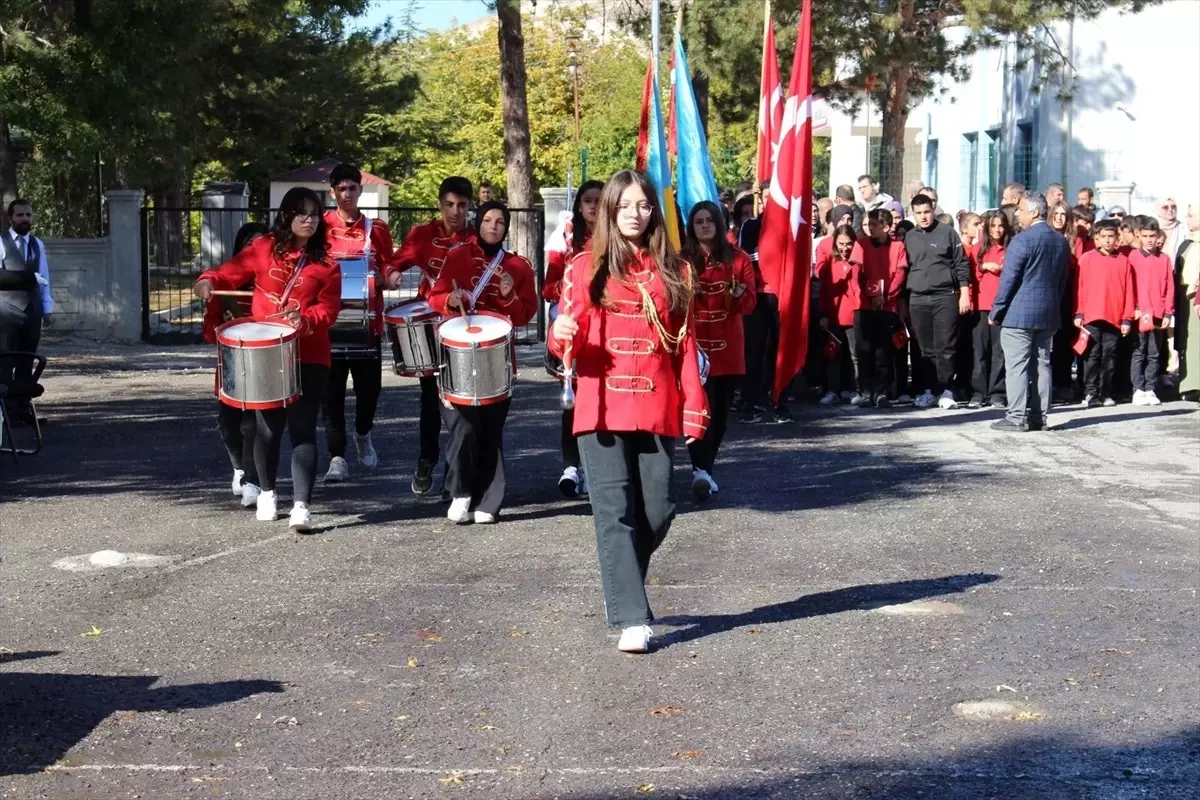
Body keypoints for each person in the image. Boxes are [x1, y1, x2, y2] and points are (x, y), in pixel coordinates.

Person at [548, 169, 709, 654]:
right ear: (610, 213)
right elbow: (567, 338)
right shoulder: (583, 268)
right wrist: (561, 339)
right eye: (624, 207)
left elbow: (686, 344)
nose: (634, 215)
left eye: (643, 206)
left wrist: (695, 406)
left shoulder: (676, 270)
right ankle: (632, 617)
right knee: (613, 513)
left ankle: (623, 586)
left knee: (659, 510)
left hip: (657, 403)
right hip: (599, 403)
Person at [194, 188, 341, 532]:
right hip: (266, 353)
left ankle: (302, 505)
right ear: (287, 215)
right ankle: (268, 493)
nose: (309, 220)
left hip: (309, 353)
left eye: (315, 214)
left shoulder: (327, 263)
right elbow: (226, 273)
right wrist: (206, 281)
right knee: (267, 429)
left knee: (303, 427)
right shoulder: (263, 248)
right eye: (302, 213)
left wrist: (303, 319)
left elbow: (329, 310)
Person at [428, 201, 536, 524]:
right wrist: (451, 299)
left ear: (506, 228)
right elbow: (435, 296)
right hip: (458, 354)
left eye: (500, 222)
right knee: (463, 427)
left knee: (491, 429)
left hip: (498, 357)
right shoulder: (458, 256)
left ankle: (489, 499)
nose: (493, 226)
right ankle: (461, 493)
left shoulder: (518, 267)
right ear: (478, 223)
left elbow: (526, 313)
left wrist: (509, 296)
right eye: (488, 220)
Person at [386, 176, 477, 495]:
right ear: (440, 204)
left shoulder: (477, 237)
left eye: (462, 206)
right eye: (449, 205)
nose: (455, 212)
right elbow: (393, 264)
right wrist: (393, 274)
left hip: (465, 326)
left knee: (462, 401)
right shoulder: (422, 235)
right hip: (428, 324)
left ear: (469, 207)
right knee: (430, 399)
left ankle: (454, 471)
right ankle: (427, 458)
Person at [321, 163, 393, 482]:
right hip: (329, 328)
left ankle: (363, 434)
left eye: (353, 188)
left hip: (367, 327)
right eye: (342, 188)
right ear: (332, 192)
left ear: (361, 191)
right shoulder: (321, 227)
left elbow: (389, 268)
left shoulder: (376, 229)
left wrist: (386, 277)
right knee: (331, 396)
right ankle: (337, 457)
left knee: (369, 394)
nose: (347, 194)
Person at [683, 201, 756, 498]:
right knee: (698, 409)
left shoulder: (739, 260)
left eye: (709, 220)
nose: (704, 225)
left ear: (720, 223)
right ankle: (700, 470)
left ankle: (705, 470)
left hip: (727, 346)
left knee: (721, 415)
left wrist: (738, 296)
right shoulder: (682, 260)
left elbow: (750, 304)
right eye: (698, 221)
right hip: (694, 346)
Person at [987, 192, 1069, 431]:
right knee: (1042, 365)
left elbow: (1009, 280)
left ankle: (1016, 417)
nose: (1017, 215)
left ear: (1034, 212)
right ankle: (1039, 417)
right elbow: (1061, 281)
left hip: (1018, 315)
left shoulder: (1021, 241)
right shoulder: (1060, 241)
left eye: (1021, 210)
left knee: (1017, 366)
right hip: (1049, 312)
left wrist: (996, 310)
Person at [202, 221, 269, 506]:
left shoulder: (272, 285)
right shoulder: (226, 285)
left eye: (260, 245)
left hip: (263, 363)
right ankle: (239, 467)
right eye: (248, 246)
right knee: (228, 425)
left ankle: (252, 479)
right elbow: (209, 333)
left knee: (254, 424)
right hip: (231, 362)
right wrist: (221, 322)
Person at [544, 179, 603, 498]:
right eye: (588, 200)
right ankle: (571, 466)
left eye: (599, 199)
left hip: (608, 327)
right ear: (579, 205)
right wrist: (571, 290)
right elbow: (548, 286)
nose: (593, 205)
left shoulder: (619, 234)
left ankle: (598, 469)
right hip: (573, 326)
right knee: (573, 402)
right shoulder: (565, 234)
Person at [903, 193, 971, 409]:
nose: (923, 217)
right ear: (913, 214)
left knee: (946, 346)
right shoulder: (910, 237)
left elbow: (961, 264)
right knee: (924, 349)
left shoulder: (948, 233)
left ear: (934, 210)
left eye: (927, 212)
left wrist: (965, 294)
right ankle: (929, 389)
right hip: (918, 298)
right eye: (919, 213)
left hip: (945, 296)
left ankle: (946, 390)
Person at [0, 199, 54, 423]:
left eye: (28, 215)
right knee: (5, 361)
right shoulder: (1, 242)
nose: (25, 219)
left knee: (27, 361)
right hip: (5, 310)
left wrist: (47, 308)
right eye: (20, 215)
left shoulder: (36, 244)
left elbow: (44, 278)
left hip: (32, 310)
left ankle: (20, 409)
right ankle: (3, 415)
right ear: (10, 218)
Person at [1074, 220, 1134, 407]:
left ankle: (1106, 392)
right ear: (1097, 238)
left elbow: (1129, 292)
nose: (1108, 241)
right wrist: (1079, 312)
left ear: (1117, 238)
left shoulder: (1124, 262)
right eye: (1104, 237)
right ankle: (1090, 392)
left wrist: (1127, 318)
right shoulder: (1086, 259)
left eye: (1111, 237)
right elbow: (1079, 288)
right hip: (1091, 316)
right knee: (1092, 356)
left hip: (1114, 317)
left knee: (1110, 357)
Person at [856, 208, 908, 407]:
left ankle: (881, 391)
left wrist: (885, 297)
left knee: (884, 351)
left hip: (888, 307)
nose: (870, 228)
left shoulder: (898, 247)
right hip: (865, 306)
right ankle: (866, 391)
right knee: (865, 349)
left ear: (886, 227)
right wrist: (869, 296)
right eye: (868, 224)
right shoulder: (861, 245)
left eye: (874, 225)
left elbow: (900, 275)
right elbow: (856, 274)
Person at [1128, 219, 1174, 406]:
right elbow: (1128, 285)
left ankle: (1150, 388)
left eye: (1152, 236)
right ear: (1139, 235)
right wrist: (1133, 308)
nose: (1149, 240)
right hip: (1139, 313)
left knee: (1154, 353)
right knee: (1139, 351)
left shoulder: (1164, 259)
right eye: (1145, 236)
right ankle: (1138, 389)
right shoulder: (1133, 256)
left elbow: (1169, 287)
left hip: (1157, 312)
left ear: (1158, 238)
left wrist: (1168, 313)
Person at [970, 210, 1011, 408]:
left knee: (999, 351)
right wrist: (983, 266)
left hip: (1002, 307)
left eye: (1001, 225)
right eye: (993, 226)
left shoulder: (1010, 249)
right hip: (981, 306)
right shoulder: (977, 248)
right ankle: (978, 392)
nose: (997, 230)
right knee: (980, 350)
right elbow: (971, 278)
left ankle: (997, 393)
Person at [1047, 200, 1081, 402]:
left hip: (1068, 292)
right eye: (1056, 213)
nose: (1059, 218)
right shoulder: (1046, 235)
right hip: (1048, 291)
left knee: (1063, 340)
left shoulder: (1074, 240)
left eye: (1063, 214)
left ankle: (1063, 382)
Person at [1178, 205, 1200, 401]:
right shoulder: (1187, 243)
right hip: (1185, 298)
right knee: (1188, 341)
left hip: (1197, 298)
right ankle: (1190, 384)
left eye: (1191, 215)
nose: (1187, 218)